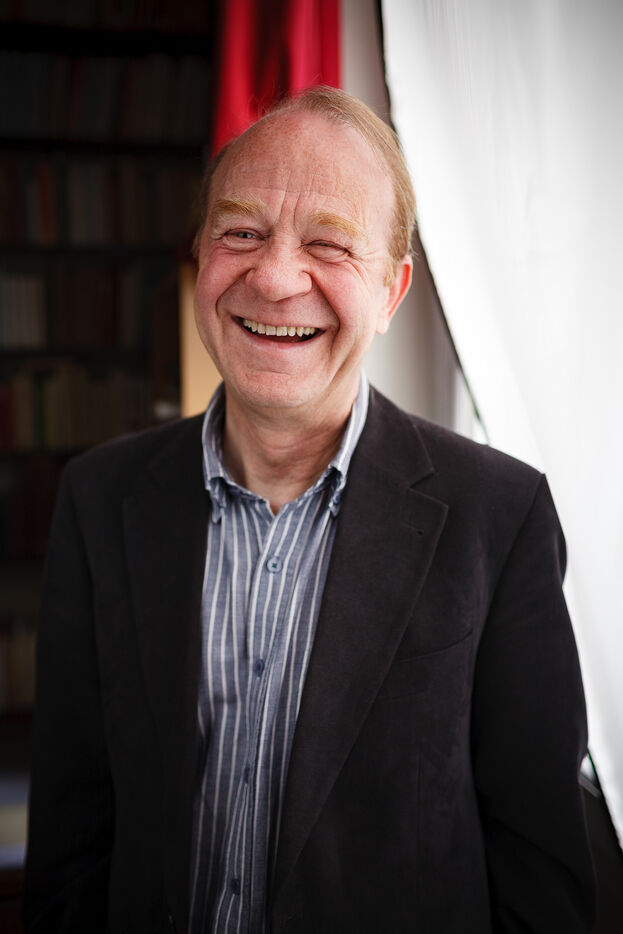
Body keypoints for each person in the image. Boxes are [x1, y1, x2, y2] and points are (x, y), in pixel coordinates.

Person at [24, 86, 595, 933]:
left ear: (391, 291)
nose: (274, 276)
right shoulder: (97, 498)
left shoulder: (499, 519)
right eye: (240, 233)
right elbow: (70, 842)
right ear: (200, 254)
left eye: (328, 244)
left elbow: (540, 881)